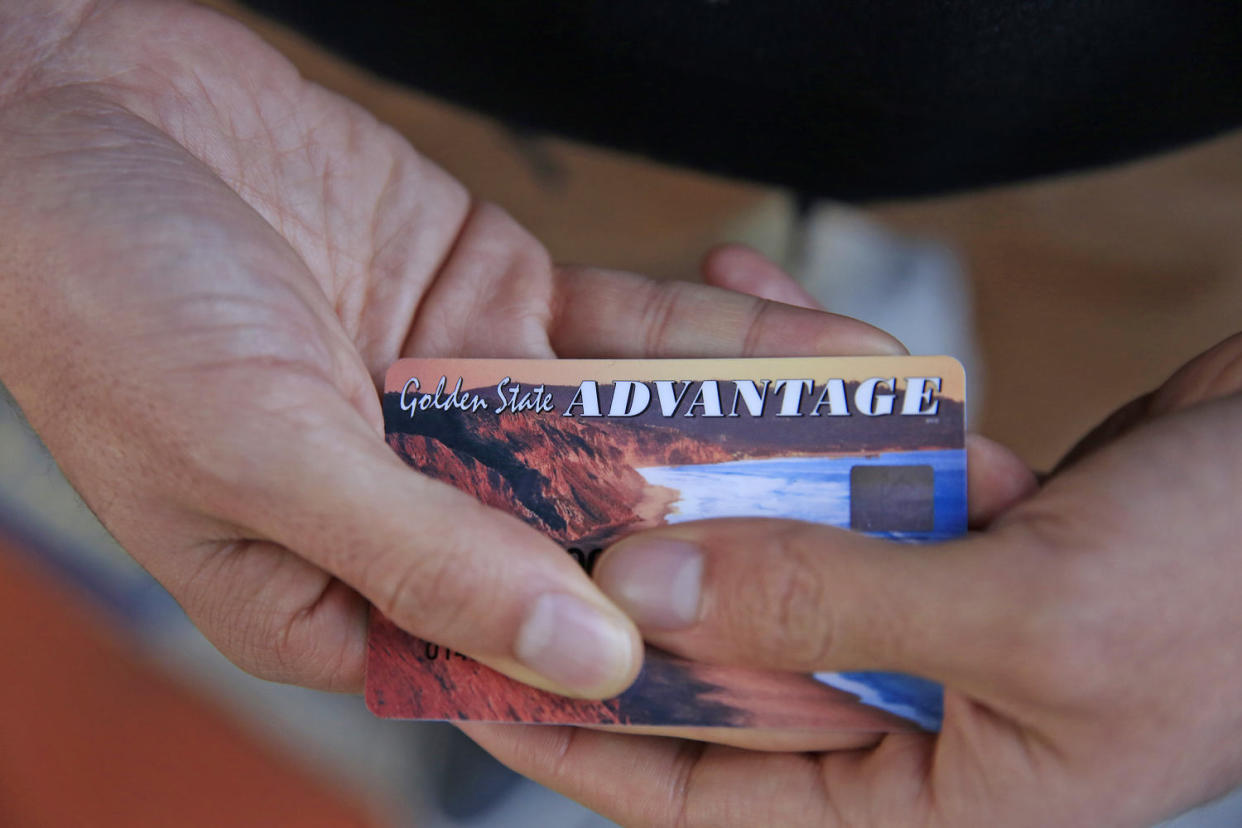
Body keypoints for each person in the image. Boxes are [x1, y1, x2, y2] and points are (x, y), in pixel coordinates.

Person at [2, 1, 1241, 825]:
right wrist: (41, 58)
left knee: (1046, 476)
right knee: (396, 452)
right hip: (416, 87)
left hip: (1171, 136)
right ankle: (507, 684)